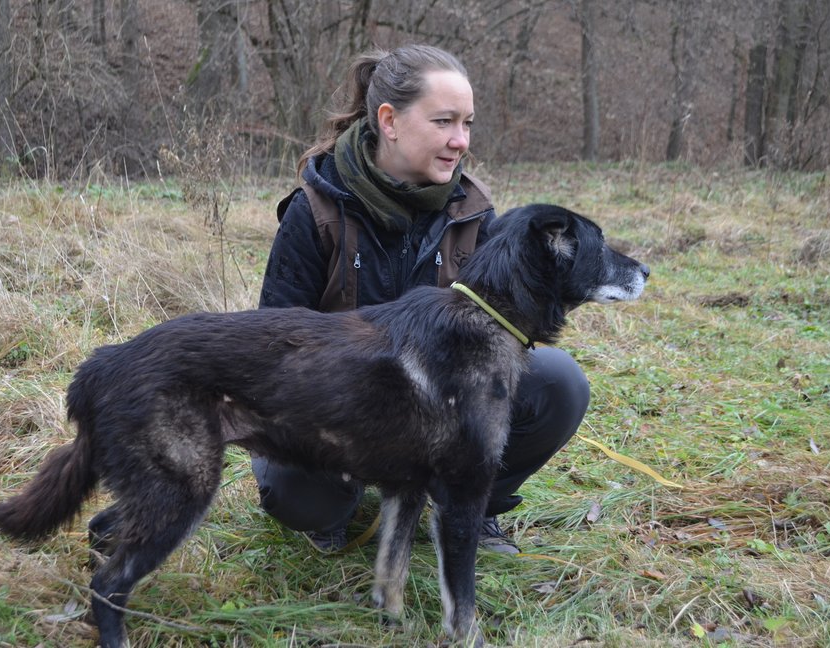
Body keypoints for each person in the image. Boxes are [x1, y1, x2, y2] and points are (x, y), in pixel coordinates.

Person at [253, 44, 590, 553]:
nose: (461, 141)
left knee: (559, 384)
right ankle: (335, 507)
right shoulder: (315, 209)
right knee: (301, 496)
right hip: (334, 412)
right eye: (444, 122)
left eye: (468, 124)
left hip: (438, 405)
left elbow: (506, 335)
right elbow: (273, 348)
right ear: (389, 120)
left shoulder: (475, 211)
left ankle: (468, 506)